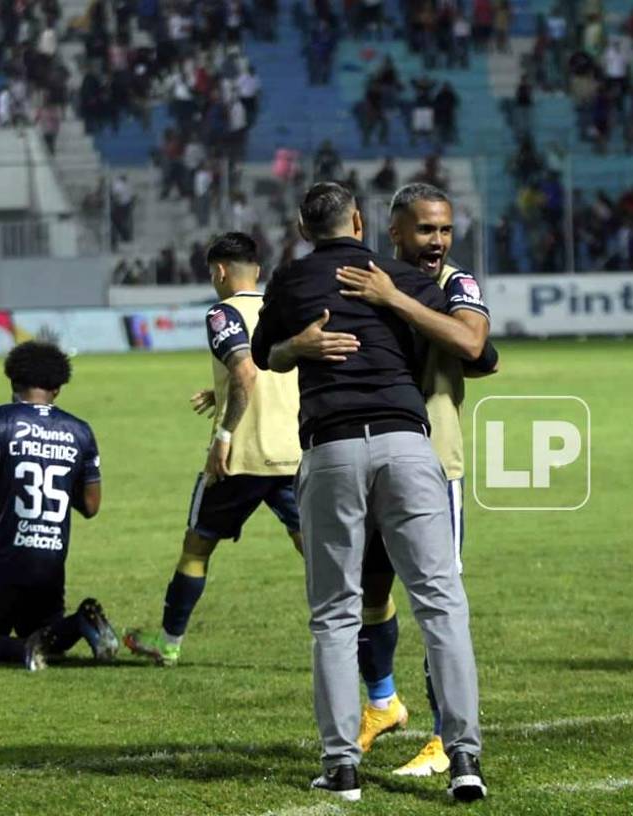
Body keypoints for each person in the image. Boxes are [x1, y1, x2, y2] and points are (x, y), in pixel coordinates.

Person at [250, 183, 487, 803]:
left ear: (303, 227)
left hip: (330, 449)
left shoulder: (290, 282)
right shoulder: (405, 280)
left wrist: (296, 349)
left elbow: (261, 354)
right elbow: (468, 351)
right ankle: (463, 757)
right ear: (362, 222)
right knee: (441, 603)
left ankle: (342, 767)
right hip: (409, 443)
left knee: (335, 613)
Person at [334, 184, 498, 776]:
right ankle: (382, 705)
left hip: (434, 461)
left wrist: (395, 301)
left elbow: (473, 342)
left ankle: (444, 738)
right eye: (426, 230)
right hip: (364, 454)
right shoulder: (363, 275)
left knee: (437, 600)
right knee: (370, 593)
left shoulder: (458, 284)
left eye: (445, 230)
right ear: (394, 231)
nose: (438, 242)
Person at [123, 233, 304, 665]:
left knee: (197, 546)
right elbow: (274, 366)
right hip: (293, 453)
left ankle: (168, 641)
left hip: (240, 458)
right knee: (317, 551)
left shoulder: (222, 314)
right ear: (256, 272)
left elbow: (245, 372)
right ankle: (356, 640)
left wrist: (223, 434)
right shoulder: (283, 309)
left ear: (220, 272)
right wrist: (218, 390)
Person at [0, 341, 118, 670]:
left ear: (13, 383)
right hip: (49, 562)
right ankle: (81, 621)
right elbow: (92, 505)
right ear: (58, 389)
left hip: (0, 559)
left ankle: (22, 650)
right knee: (48, 635)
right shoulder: (80, 431)